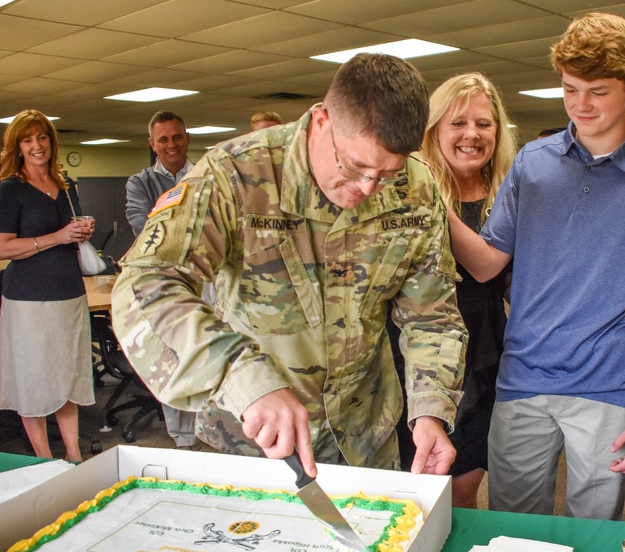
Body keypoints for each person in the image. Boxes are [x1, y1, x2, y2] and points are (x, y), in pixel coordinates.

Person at [112, 53, 467, 478]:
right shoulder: (234, 174)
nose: (367, 188)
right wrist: (245, 378)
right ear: (321, 121)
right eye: (353, 166)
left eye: (386, 174)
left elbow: (432, 314)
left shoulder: (417, 186)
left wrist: (430, 409)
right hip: (252, 442)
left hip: (365, 439)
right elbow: (145, 284)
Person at [447, 12, 625, 520]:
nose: (580, 105)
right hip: (522, 379)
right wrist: (436, 202)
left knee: (593, 537)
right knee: (512, 533)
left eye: (598, 91)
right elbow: (486, 265)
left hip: (612, 384)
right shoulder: (532, 163)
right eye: (569, 89)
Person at [390, 72, 516, 508]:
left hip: (485, 355)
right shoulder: (403, 192)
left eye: (483, 123)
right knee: (422, 490)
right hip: (415, 357)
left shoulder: (508, 194)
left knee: (463, 487)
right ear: (434, 131)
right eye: (457, 123)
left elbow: (497, 275)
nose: (472, 135)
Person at [0, 109, 95, 462]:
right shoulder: (11, 189)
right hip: (28, 298)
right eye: (28, 139)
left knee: (68, 373)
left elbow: (69, 232)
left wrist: (79, 232)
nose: (37, 146)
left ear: (52, 141)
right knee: (34, 376)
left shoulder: (65, 186)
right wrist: (57, 236)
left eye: (42, 137)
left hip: (69, 291)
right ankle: (44, 459)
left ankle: (74, 454)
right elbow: (2, 248)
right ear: (17, 147)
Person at [124, 110, 200, 450]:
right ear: (153, 144)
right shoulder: (140, 183)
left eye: (177, 137)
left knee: (208, 355)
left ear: (187, 138)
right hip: (167, 287)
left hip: (208, 283)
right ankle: (184, 440)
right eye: (164, 139)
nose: (172, 145)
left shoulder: (206, 175)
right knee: (174, 360)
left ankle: (212, 433)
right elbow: (146, 229)